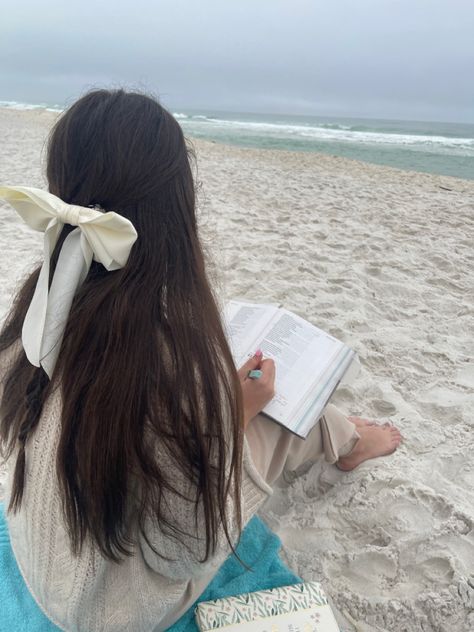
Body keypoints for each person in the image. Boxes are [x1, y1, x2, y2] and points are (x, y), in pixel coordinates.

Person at [0, 89, 401, 632]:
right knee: (280, 407)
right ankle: (352, 440)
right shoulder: (170, 352)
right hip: (118, 609)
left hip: (44, 566)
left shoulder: (37, 308)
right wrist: (231, 415)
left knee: (243, 401)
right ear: (176, 205)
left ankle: (346, 434)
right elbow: (182, 552)